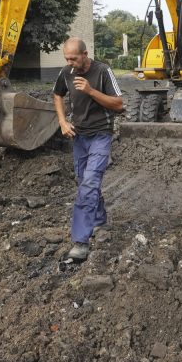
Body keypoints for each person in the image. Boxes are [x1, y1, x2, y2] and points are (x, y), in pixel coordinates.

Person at [53, 37, 124, 260]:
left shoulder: (103, 71)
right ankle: (99, 220)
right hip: (79, 136)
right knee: (84, 180)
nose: (70, 62)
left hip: (101, 134)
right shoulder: (66, 72)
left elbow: (119, 104)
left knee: (90, 182)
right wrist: (63, 121)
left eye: (73, 58)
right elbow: (57, 94)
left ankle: (80, 242)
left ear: (85, 54)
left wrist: (91, 91)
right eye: (67, 58)